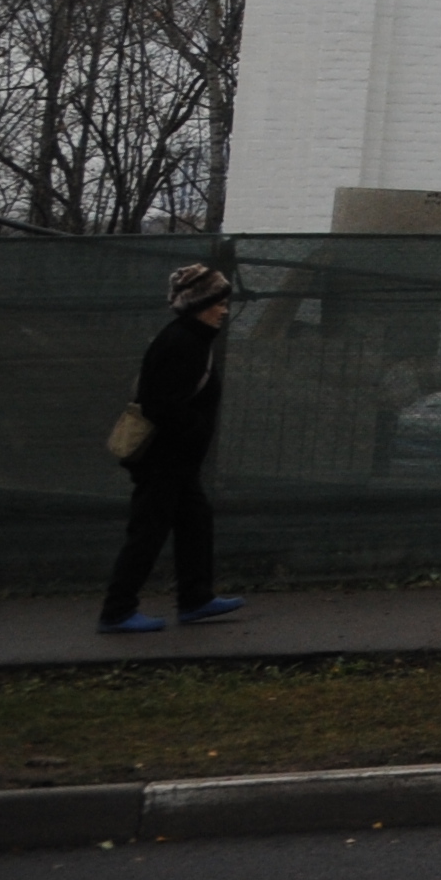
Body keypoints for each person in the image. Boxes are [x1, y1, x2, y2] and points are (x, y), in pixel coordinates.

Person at [100, 262, 243, 636]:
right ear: (198, 303)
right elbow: (160, 404)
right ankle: (117, 611)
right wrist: (194, 430)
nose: (224, 309)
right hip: (164, 461)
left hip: (177, 462)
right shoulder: (182, 342)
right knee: (148, 532)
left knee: (195, 523)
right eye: (218, 302)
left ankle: (196, 598)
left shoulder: (190, 339)